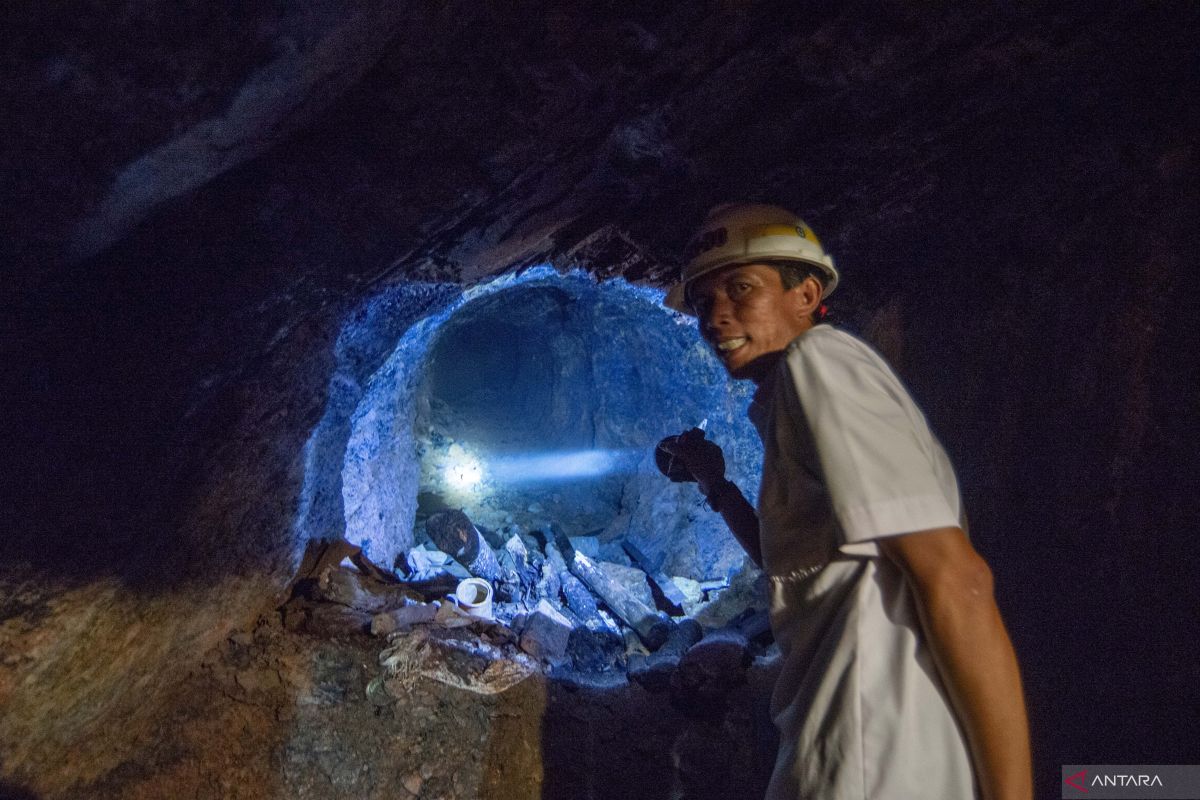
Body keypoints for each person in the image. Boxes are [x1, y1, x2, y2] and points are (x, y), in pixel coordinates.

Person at [659, 204, 1032, 800]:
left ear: (805, 294)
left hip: (876, 755)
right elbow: (793, 566)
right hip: (845, 746)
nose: (715, 316)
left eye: (740, 288)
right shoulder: (791, 396)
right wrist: (715, 484)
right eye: (704, 301)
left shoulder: (822, 363)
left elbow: (959, 579)